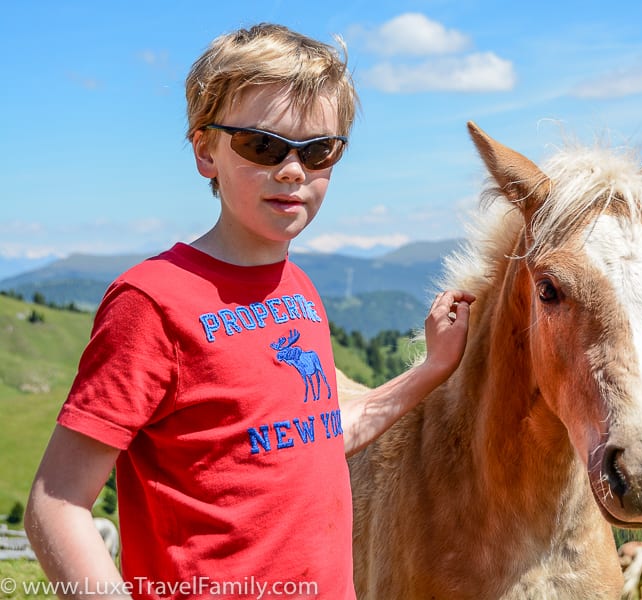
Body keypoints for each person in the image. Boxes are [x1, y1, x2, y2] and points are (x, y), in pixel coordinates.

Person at [25, 23, 474, 600]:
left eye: (319, 151)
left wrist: (433, 368)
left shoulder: (299, 289)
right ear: (205, 151)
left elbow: (312, 437)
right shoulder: (152, 302)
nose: (293, 170)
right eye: (262, 146)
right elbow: (56, 502)